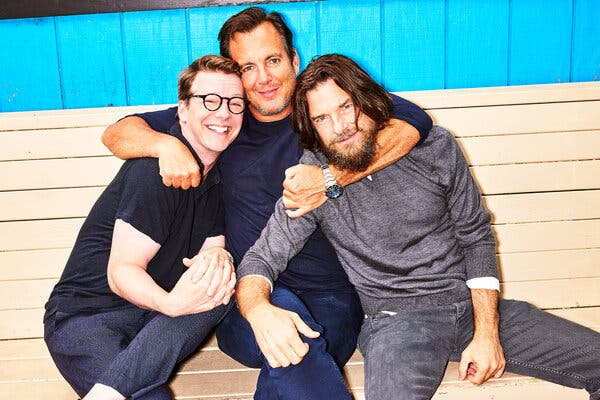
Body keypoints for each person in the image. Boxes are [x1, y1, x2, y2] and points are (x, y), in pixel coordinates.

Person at [101, 7, 433, 400]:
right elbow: (117, 133)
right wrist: (164, 143)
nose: (263, 78)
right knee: (293, 342)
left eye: (273, 60)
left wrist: (330, 178)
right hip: (247, 293)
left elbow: (413, 121)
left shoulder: (325, 112)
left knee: (297, 350)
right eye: (247, 68)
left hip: (331, 299)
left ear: (294, 59)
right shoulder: (224, 122)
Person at [236, 53, 600, 400]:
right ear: (312, 128)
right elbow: (262, 258)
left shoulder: (434, 148)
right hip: (398, 325)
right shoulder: (311, 184)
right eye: (322, 119)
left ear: (367, 100)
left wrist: (487, 332)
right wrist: (258, 309)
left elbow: (476, 237)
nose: (340, 126)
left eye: (346, 107)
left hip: (474, 308)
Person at [43, 55, 242, 400]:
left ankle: (108, 391)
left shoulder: (216, 179)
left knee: (220, 287)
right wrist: (170, 305)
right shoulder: (155, 172)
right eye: (209, 100)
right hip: (88, 315)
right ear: (182, 109)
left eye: (235, 103)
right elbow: (121, 273)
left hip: (152, 320)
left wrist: (219, 260)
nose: (223, 113)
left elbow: (211, 253)